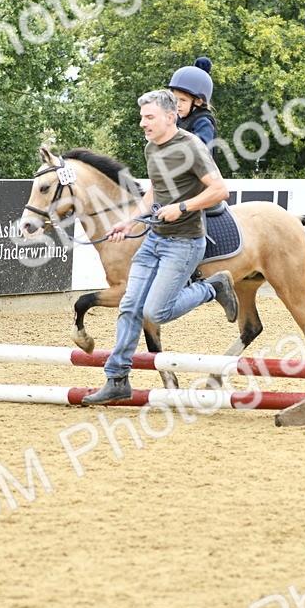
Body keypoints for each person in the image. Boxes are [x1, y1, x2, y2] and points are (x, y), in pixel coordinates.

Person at [82, 89, 239, 404]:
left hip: (184, 242)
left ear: (171, 117)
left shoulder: (192, 147)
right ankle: (117, 379)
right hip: (154, 240)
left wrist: (182, 208)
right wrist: (130, 221)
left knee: (157, 311)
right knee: (129, 307)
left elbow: (220, 190)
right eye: (142, 117)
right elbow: (156, 190)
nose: (142, 123)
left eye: (149, 117)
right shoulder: (151, 148)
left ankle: (213, 288)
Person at [167, 57, 217, 148]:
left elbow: (201, 154)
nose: (177, 104)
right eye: (175, 99)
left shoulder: (203, 123)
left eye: (183, 100)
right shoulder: (177, 118)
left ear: (198, 102)